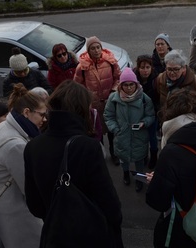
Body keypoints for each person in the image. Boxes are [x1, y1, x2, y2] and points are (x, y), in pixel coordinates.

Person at [23, 80, 124, 247]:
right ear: (83, 109)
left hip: (56, 235)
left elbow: (34, 205)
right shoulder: (88, 147)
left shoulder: (32, 146)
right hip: (91, 236)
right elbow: (109, 204)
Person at [146, 89, 196, 248]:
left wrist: (158, 180)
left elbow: (157, 201)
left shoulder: (172, 151)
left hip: (178, 226)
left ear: (170, 113)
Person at [0, 83, 47, 248]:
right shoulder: (16, 146)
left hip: (3, 207)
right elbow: (29, 189)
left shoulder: (5, 126)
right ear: (27, 112)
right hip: (15, 215)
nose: (45, 119)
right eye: (42, 115)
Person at [104, 67, 155, 192]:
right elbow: (108, 116)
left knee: (139, 159)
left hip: (139, 136)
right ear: (121, 85)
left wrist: (144, 123)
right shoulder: (113, 99)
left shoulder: (144, 98)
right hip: (121, 135)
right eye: (125, 85)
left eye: (131, 84)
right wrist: (115, 129)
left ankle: (139, 178)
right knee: (123, 158)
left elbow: (151, 116)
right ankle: (126, 173)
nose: (128, 87)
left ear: (136, 84)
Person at [73, 36, 121, 165]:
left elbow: (118, 78)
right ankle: (100, 154)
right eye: (92, 48)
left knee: (111, 130)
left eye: (98, 47)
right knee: (96, 132)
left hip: (109, 103)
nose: (96, 50)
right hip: (92, 107)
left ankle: (113, 153)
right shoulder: (82, 67)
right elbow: (77, 86)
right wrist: (86, 100)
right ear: (88, 50)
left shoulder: (110, 62)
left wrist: (113, 91)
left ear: (101, 48)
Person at [133, 54, 159, 169]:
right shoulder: (133, 80)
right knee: (140, 137)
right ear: (138, 68)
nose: (145, 70)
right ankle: (143, 156)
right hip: (137, 114)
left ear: (151, 68)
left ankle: (154, 156)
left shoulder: (156, 80)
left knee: (152, 137)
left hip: (152, 114)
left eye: (148, 67)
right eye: (142, 67)